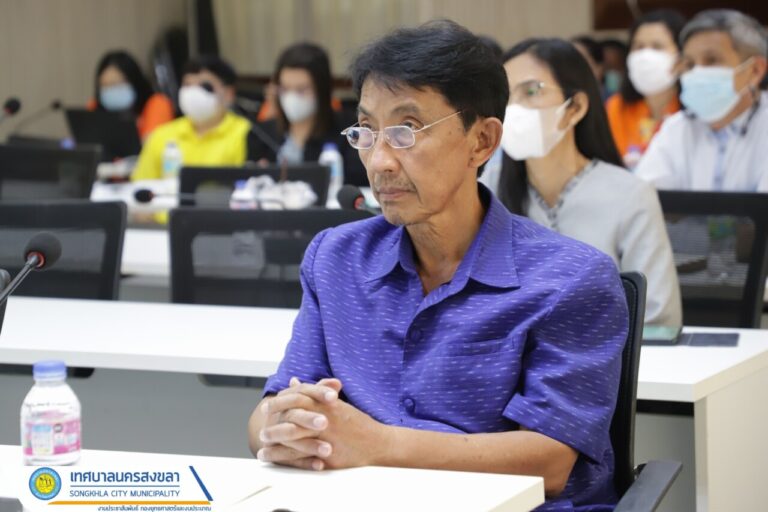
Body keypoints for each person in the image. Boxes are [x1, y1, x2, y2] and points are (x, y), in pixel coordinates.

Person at [248, 20, 630, 512]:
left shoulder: (570, 278)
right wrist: (281, 429)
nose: (380, 161)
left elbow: (550, 461)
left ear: (482, 141)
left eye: (405, 131)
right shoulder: (336, 258)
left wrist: (378, 444)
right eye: (366, 131)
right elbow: (270, 411)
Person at [482, 38, 681, 327]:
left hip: (605, 353)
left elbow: (657, 319)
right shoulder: (486, 189)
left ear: (575, 107)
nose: (514, 109)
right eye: (505, 97)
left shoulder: (630, 195)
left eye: (532, 91)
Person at [635, 9, 768, 191]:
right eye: (690, 64)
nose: (697, 72)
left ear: (755, 71)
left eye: (712, 60)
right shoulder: (677, 129)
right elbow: (643, 196)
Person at [248, 43, 366, 186]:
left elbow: (357, 182)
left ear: (321, 89)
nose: (291, 98)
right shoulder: (261, 133)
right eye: (285, 89)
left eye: (301, 89)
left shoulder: (348, 132)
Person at [132, 55, 252, 181]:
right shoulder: (162, 135)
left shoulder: (246, 134)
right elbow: (141, 183)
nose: (194, 93)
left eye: (205, 86)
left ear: (228, 94)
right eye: (187, 85)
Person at [605, 10, 687, 168]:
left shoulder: (692, 109)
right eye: (639, 46)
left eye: (657, 47)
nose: (645, 55)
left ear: (681, 57)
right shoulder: (616, 107)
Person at [90, 50, 175, 140]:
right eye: (105, 86)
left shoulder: (157, 104)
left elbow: (151, 143)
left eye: (116, 84)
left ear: (134, 82)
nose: (111, 91)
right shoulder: (96, 106)